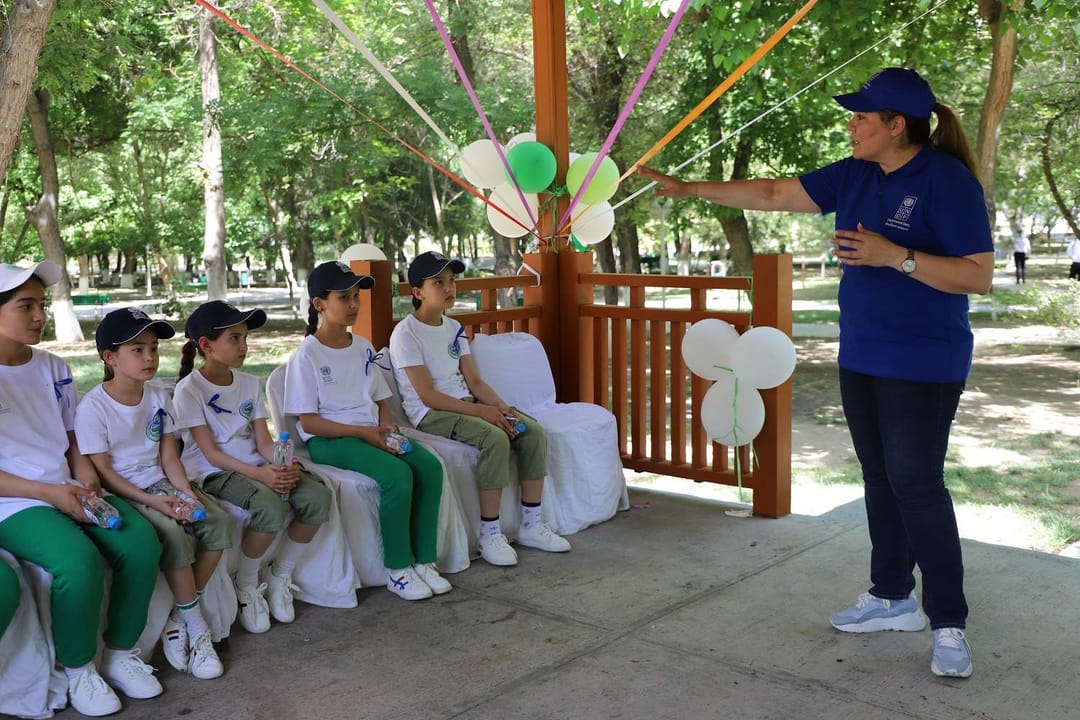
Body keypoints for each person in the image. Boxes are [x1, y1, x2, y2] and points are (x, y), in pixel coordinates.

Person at [640, 67, 993, 679]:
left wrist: (896, 257)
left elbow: (976, 275)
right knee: (880, 478)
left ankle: (949, 621)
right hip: (861, 357)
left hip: (925, 362)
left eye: (862, 118)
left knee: (916, 483)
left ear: (896, 125)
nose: (852, 126)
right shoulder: (854, 174)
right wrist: (689, 188)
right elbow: (775, 194)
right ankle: (891, 596)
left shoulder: (946, 180)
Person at [0, 262, 164, 716]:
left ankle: (121, 653)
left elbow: (73, 438)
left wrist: (85, 479)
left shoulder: (54, 366)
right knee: (77, 561)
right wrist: (51, 494)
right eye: (25, 306)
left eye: (41, 305)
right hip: (13, 500)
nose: (39, 316)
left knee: (139, 541)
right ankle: (79, 671)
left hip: (68, 484)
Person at [75, 307, 231, 681]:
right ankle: (197, 628)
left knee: (218, 522)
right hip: (126, 494)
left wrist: (184, 493)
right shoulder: (93, 408)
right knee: (174, 534)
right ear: (110, 358)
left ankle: (179, 617)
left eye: (153, 349)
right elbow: (106, 474)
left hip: (161, 483)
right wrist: (155, 501)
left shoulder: (159, 395)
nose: (149, 358)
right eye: (137, 350)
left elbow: (168, 456)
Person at [390, 251, 571, 568]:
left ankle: (531, 525)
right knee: (494, 438)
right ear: (417, 292)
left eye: (452, 281)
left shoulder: (454, 328)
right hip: (431, 414)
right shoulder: (406, 334)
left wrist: (502, 408)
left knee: (531, 432)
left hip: (466, 404)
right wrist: (483, 414)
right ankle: (489, 534)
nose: (449, 288)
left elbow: (474, 380)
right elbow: (427, 396)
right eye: (438, 282)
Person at [284, 261, 451, 601]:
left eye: (356, 296)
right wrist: (365, 434)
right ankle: (398, 569)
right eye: (343, 297)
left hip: (370, 432)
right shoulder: (307, 356)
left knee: (430, 467)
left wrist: (386, 425)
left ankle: (424, 560)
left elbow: (379, 398)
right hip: (331, 441)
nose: (354, 305)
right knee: (396, 475)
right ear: (320, 305)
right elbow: (309, 422)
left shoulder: (361, 346)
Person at [175, 300, 332, 632]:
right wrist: (262, 475)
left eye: (245, 337)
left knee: (317, 497)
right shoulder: (189, 390)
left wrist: (283, 464)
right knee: (269, 506)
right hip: (214, 472)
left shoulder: (247, 382)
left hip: (255, 463)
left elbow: (263, 441)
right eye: (234, 338)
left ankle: (280, 575)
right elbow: (211, 453)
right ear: (206, 345)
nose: (244, 346)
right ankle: (246, 584)